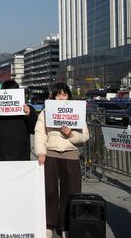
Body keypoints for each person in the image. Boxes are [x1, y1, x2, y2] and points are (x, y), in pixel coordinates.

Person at [34, 82, 89, 238]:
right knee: (49, 191)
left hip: (70, 155)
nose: (60, 97)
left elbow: (84, 136)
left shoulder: (76, 112)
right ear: (53, 96)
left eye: (64, 94)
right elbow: (40, 134)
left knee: (71, 192)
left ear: (69, 96)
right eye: (57, 94)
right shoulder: (45, 112)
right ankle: (49, 224)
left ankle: (66, 225)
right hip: (50, 154)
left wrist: (70, 134)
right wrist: (40, 152)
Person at [0, 80, 37, 161]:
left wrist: (28, 114)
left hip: (21, 154)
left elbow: (34, 129)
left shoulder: (27, 108)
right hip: (0, 154)